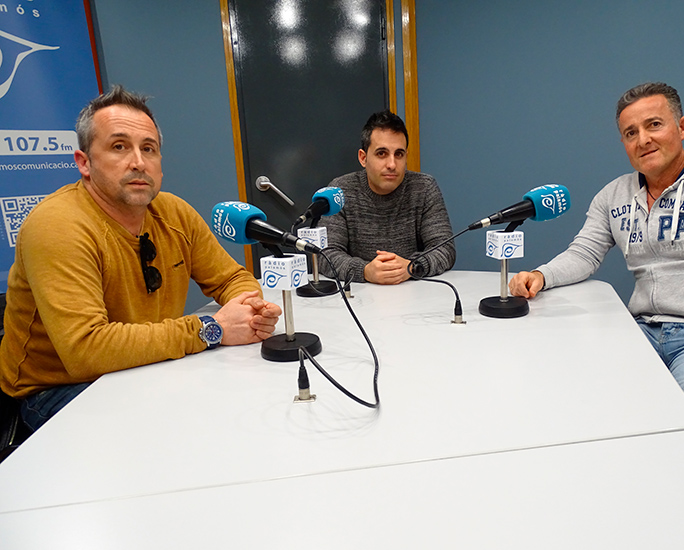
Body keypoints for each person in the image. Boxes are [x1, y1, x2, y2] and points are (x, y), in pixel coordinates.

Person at [509, 82, 684, 441]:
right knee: (569, 400)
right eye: (631, 132)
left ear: (682, 127)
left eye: (654, 125)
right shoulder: (613, 195)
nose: (643, 139)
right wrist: (542, 274)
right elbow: (584, 253)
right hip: (642, 331)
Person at [0, 86, 281, 430]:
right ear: (84, 163)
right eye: (119, 147)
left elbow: (232, 278)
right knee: (179, 431)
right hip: (57, 389)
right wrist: (213, 328)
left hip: (145, 363)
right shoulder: (57, 225)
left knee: (244, 407)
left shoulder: (174, 212)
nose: (138, 162)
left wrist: (248, 312)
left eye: (149, 149)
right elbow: (85, 351)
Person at [319, 109, 456, 284]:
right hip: (359, 298)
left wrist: (411, 267)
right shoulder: (340, 191)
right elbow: (325, 254)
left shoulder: (424, 188)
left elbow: (445, 248)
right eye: (381, 153)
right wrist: (365, 271)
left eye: (398, 154)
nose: (392, 164)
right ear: (363, 158)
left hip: (415, 294)